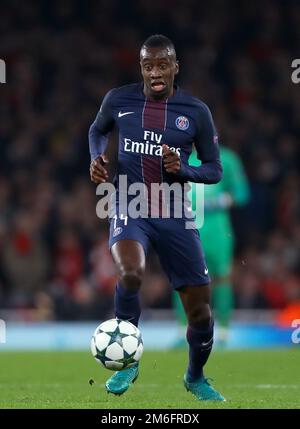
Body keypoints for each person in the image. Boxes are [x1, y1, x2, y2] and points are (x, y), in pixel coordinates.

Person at [89, 34, 225, 401]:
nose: (155, 72)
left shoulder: (195, 111)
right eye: (148, 66)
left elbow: (215, 170)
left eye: (162, 64)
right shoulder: (119, 99)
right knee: (130, 272)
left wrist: (184, 169)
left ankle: (195, 377)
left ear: (175, 66)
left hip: (175, 211)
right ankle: (129, 359)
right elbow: (97, 131)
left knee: (200, 312)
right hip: (129, 203)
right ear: (142, 69)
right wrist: (96, 157)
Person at [173, 145, 250, 347]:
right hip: (186, 226)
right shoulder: (177, 156)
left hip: (216, 230)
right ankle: (184, 332)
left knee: (222, 278)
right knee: (182, 278)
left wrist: (219, 201)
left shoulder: (228, 158)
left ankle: (223, 332)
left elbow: (242, 193)